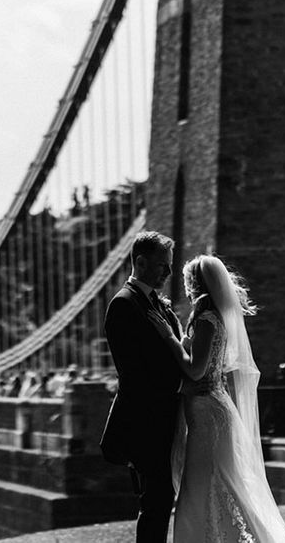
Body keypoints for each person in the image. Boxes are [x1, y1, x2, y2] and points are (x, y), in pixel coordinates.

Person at [148, 255, 285, 542]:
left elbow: (195, 370)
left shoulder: (206, 320)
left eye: (187, 282)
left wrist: (168, 338)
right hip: (207, 409)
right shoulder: (210, 317)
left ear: (196, 283)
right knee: (213, 483)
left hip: (208, 413)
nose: (186, 289)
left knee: (206, 484)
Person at [100, 231, 183, 543]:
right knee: (156, 501)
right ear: (140, 262)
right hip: (145, 421)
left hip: (163, 418)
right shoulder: (124, 305)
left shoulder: (154, 304)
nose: (169, 272)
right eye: (163, 266)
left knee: (161, 500)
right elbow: (134, 373)